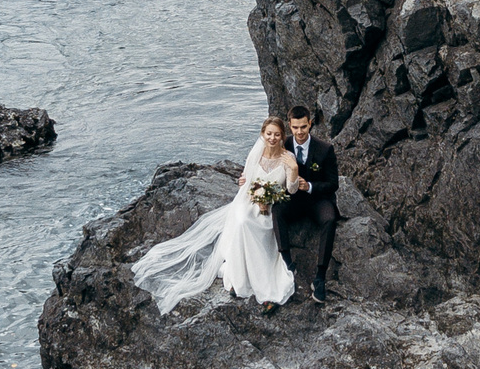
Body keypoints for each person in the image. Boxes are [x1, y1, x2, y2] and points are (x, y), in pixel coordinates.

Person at [130, 115, 300, 313]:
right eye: (269, 133)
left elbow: (292, 190)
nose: (272, 138)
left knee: (251, 224)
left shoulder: (288, 158)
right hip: (250, 202)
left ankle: (265, 280)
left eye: (276, 134)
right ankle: (240, 278)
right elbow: (247, 182)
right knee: (242, 219)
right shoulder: (257, 154)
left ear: (282, 136)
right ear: (263, 134)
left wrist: (294, 169)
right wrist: (249, 189)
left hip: (273, 207)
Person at [277, 105, 339, 302]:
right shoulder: (282, 146)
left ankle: (320, 277)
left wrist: (310, 186)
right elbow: (265, 166)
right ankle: (287, 264)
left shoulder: (325, 149)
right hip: (293, 201)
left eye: (303, 127)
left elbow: (333, 184)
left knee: (330, 219)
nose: (300, 132)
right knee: (277, 211)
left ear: (310, 123)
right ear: (289, 126)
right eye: (295, 128)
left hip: (317, 200)